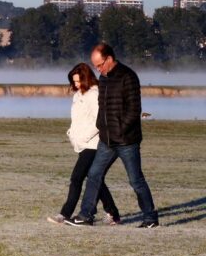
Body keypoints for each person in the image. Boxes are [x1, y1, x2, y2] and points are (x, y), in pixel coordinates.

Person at [68, 43, 158, 228]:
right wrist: (102, 126)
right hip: (106, 140)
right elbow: (102, 108)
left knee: (136, 180)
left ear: (109, 59)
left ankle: (150, 218)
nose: (97, 69)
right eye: (95, 65)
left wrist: (119, 129)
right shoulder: (104, 78)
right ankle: (86, 215)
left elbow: (134, 110)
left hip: (127, 141)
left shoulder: (128, 76)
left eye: (100, 64)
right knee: (93, 175)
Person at [48, 63, 120, 225]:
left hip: (93, 144)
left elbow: (99, 120)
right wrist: (72, 134)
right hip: (81, 144)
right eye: (73, 82)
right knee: (94, 178)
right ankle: (113, 213)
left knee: (77, 178)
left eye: (79, 81)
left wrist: (85, 138)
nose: (76, 85)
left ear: (86, 78)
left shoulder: (94, 94)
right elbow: (78, 119)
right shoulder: (78, 95)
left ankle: (65, 213)